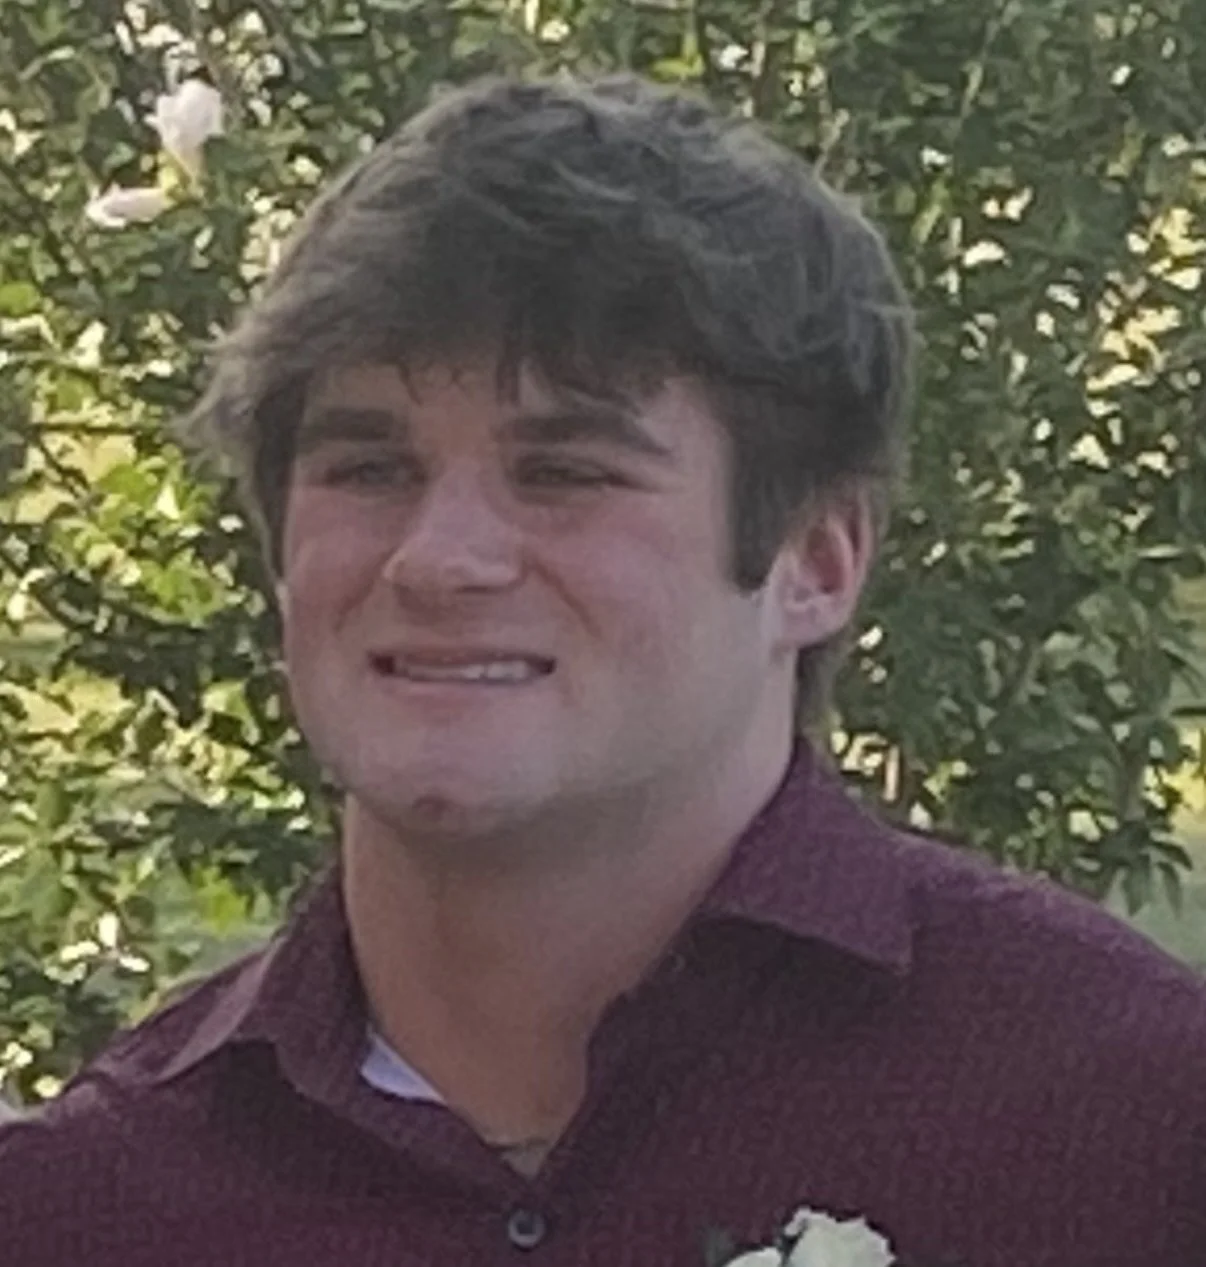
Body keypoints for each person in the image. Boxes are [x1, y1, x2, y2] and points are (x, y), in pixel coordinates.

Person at [2, 72, 1204, 1267]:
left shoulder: (1128, 1128)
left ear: (815, 560)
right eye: (369, 468)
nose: (439, 559)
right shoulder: (87, 1210)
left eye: (564, 471)